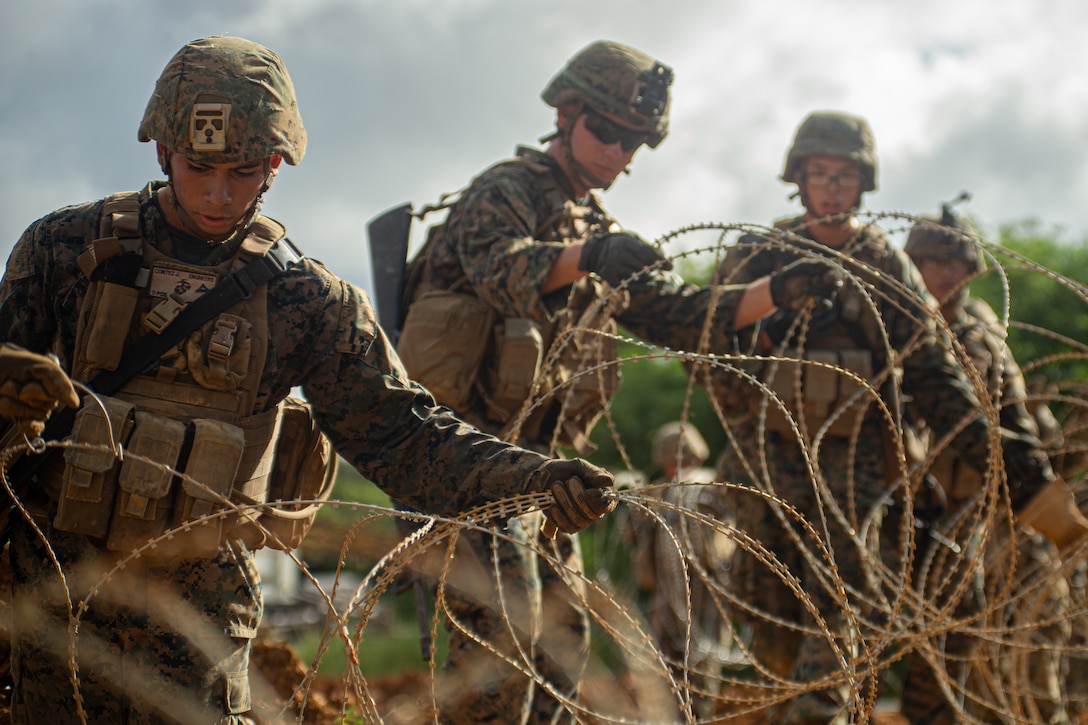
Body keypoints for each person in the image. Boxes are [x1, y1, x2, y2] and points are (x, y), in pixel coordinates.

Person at [0, 36, 620, 724]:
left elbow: (407, 439)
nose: (217, 192)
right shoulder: (63, 250)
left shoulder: (308, 300)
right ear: (162, 150)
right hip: (52, 592)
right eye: (199, 165)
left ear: (274, 165)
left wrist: (530, 478)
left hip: (199, 625)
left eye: (242, 171)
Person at [394, 40, 841, 724]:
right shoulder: (506, 191)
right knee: (492, 665)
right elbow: (498, 267)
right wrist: (590, 255)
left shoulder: (594, 227)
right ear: (565, 115)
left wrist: (779, 289)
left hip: (543, 478)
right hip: (466, 463)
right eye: (604, 130)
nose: (615, 152)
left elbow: (688, 315)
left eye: (632, 142)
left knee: (559, 656)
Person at [709, 110, 1071, 724]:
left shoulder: (885, 266)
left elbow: (933, 374)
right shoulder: (758, 255)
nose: (830, 187)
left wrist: (1011, 463)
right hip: (766, 462)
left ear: (864, 183)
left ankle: (819, 716)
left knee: (842, 611)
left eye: (844, 175)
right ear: (798, 177)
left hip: (859, 472)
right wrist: (764, 331)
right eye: (818, 173)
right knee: (771, 616)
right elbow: (707, 353)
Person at [898, 204, 1074, 723]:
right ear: (913, 265)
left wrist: (1043, 459)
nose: (946, 274)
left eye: (957, 262)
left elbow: (1019, 413)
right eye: (933, 261)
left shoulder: (984, 327)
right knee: (947, 643)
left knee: (1041, 623)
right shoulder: (899, 328)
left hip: (1007, 503)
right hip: (938, 512)